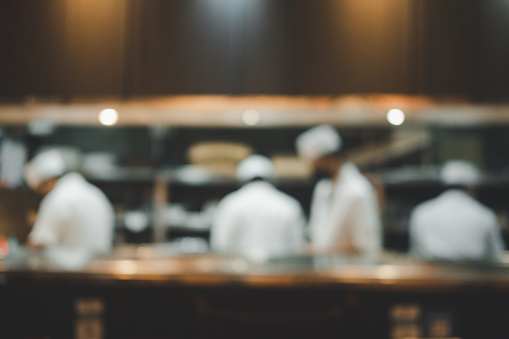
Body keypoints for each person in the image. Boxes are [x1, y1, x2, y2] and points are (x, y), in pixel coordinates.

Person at [295, 125, 382, 257]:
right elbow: (316, 234)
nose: (313, 170)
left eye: (317, 164)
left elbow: (365, 245)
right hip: (324, 271)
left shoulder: (358, 191)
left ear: (330, 158)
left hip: (350, 273)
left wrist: (320, 249)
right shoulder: (323, 189)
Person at [211, 155, 306, 259]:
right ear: (274, 180)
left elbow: (219, 245)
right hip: (279, 272)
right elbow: (298, 247)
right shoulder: (289, 205)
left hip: (238, 272)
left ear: (240, 181)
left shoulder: (229, 204)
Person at [409, 160, 505, 261]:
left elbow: (415, 254)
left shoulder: (422, 212)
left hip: (430, 276)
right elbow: (497, 257)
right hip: (475, 275)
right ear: (469, 188)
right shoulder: (485, 214)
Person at [25, 149, 115, 254]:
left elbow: (38, 243)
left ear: (47, 181)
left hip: (70, 269)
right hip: (100, 267)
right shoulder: (95, 194)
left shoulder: (56, 199)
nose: (42, 195)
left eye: (40, 190)